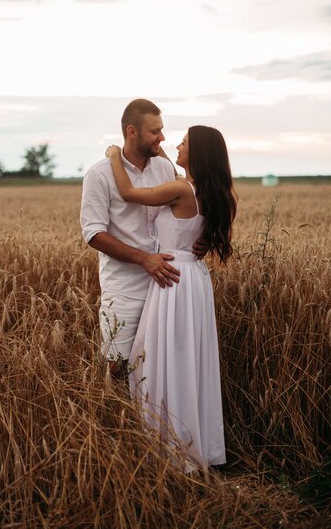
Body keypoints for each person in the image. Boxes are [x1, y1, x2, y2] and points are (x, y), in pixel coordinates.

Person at [106, 125, 237, 469]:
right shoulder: (211, 192)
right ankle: (195, 445)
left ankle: (169, 449)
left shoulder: (180, 189)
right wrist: (161, 153)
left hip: (171, 280)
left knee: (160, 360)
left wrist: (112, 156)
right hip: (193, 277)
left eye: (185, 143)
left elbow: (129, 192)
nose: (175, 144)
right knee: (187, 360)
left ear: (199, 154)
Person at [80, 99, 206, 377]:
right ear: (132, 132)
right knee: (118, 366)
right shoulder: (99, 175)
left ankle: (153, 422)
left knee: (161, 367)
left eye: (162, 130)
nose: (162, 138)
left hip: (166, 287)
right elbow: (94, 234)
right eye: (155, 132)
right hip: (124, 289)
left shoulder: (164, 169)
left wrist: (203, 238)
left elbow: (190, 207)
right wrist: (143, 259)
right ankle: (117, 419)